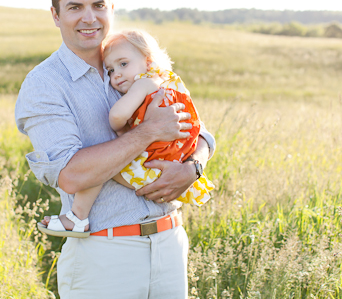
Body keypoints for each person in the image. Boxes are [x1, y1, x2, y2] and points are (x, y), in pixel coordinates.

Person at [15, 0, 216, 299]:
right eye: (75, 7)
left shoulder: (134, 63)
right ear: (55, 14)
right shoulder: (45, 85)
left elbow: (202, 134)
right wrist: (147, 132)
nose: (89, 17)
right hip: (105, 255)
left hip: (169, 242)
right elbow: (71, 176)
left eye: (98, 5)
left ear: (111, 8)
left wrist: (193, 167)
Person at [38, 29, 215, 237]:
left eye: (123, 64)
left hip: (151, 167)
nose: (117, 74)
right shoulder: (170, 85)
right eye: (110, 70)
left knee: (103, 163)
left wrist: (122, 130)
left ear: (148, 63)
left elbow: (116, 116)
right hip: (170, 165)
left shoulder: (144, 84)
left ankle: (77, 216)